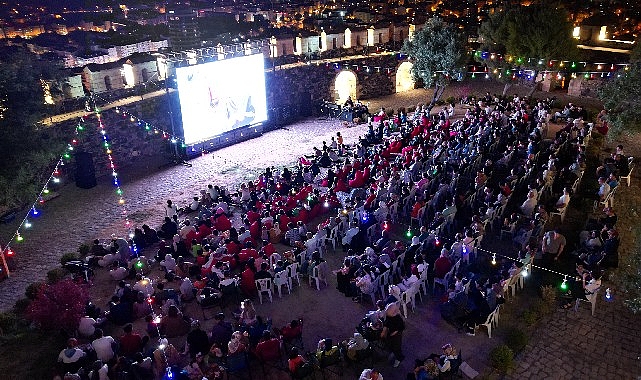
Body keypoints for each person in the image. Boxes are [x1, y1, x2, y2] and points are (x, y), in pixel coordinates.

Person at [381, 303, 405, 367]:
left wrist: (390, 334)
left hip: (396, 336)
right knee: (393, 346)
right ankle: (393, 352)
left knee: (396, 348)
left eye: (388, 312)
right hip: (393, 334)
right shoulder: (391, 315)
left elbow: (399, 329)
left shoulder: (398, 319)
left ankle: (399, 358)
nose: (386, 313)